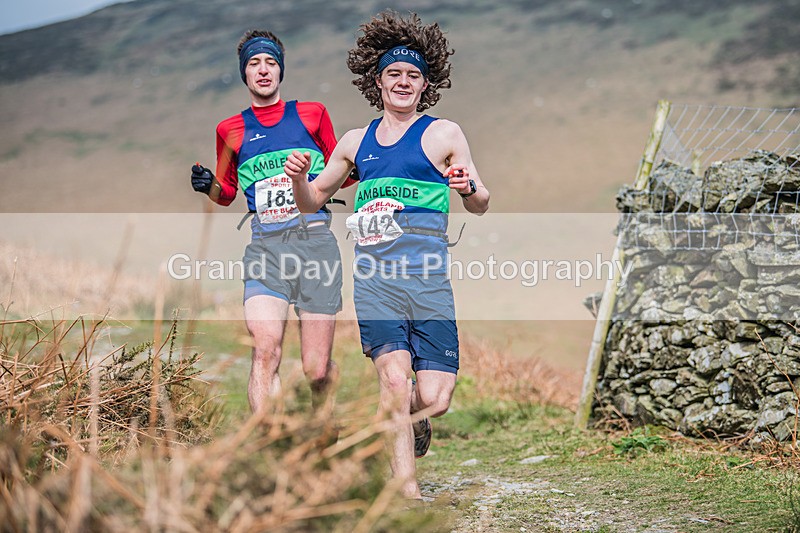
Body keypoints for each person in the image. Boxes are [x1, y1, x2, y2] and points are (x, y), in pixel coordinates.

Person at [284, 10, 490, 499]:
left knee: (434, 399)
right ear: (377, 82)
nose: (403, 82)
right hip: (376, 281)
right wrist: (297, 178)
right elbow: (314, 199)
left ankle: (412, 421)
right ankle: (407, 496)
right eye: (393, 74)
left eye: (412, 76)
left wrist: (465, 188)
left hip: (429, 281)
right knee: (394, 383)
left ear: (425, 85)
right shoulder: (357, 142)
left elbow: (482, 202)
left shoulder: (445, 135)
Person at [190, 29, 353, 415]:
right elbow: (227, 193)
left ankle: (321, 437)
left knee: (315, 370)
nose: (263, 71)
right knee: (265, 350)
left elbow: (340, 174)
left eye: (270, 63)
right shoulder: (229, 130)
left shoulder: (312, 115)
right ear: (244, 74)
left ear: (281, 71)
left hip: (315, 245)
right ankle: (270, 450)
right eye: (253, 64)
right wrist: (208, 186)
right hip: (265, 247)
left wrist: (365, 167)